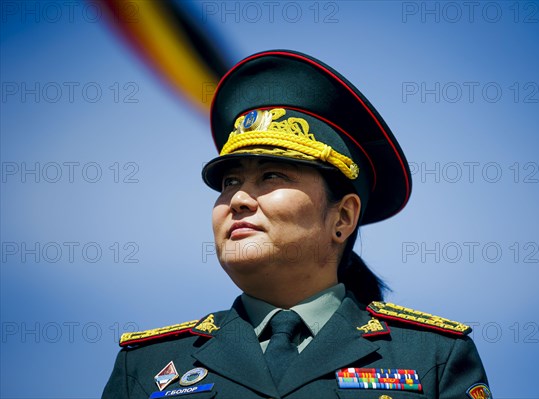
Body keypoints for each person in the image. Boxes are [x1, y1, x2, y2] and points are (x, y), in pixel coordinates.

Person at [102, 50, 491, 399]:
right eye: (230, 182)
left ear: (342, 218)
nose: (237, 199)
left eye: (271, 176)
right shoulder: (145, 367)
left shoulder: (432, 357)